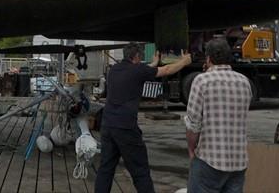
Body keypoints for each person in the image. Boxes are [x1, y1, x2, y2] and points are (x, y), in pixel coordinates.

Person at [95, 44, 193, 193]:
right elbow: (166, 70)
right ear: (137, 57)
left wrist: (153, 63)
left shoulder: (114, 70)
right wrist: (185, 61)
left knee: (105, 169)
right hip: (126, 128)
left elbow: (139, 70)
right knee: (139, 170)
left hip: (107, 126)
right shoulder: (138, 70)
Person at [185, 39, 252, 193]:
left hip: (209, 160)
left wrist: (191, 148)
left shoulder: (202, 81)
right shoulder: (244, 82)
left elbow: (193, 124)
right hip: (238, 162)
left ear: (208, 59)